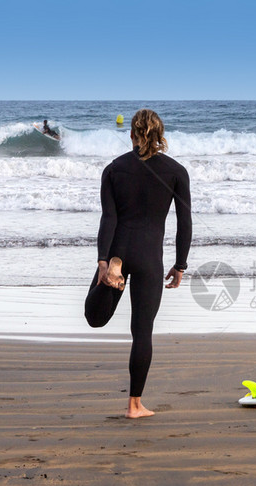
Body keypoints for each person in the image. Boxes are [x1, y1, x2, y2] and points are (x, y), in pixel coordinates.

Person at [84, 109, 192, 419]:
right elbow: (184, 222)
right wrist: (180, 264)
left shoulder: (114, 169)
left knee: (95, 318)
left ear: (132, 134)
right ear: (160, 136)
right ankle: (135, 405)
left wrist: (104, 260)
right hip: (149, 257)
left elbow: (109, 218)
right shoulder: (176, 171)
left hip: (118, 249)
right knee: (142, 332)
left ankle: (109, 278)